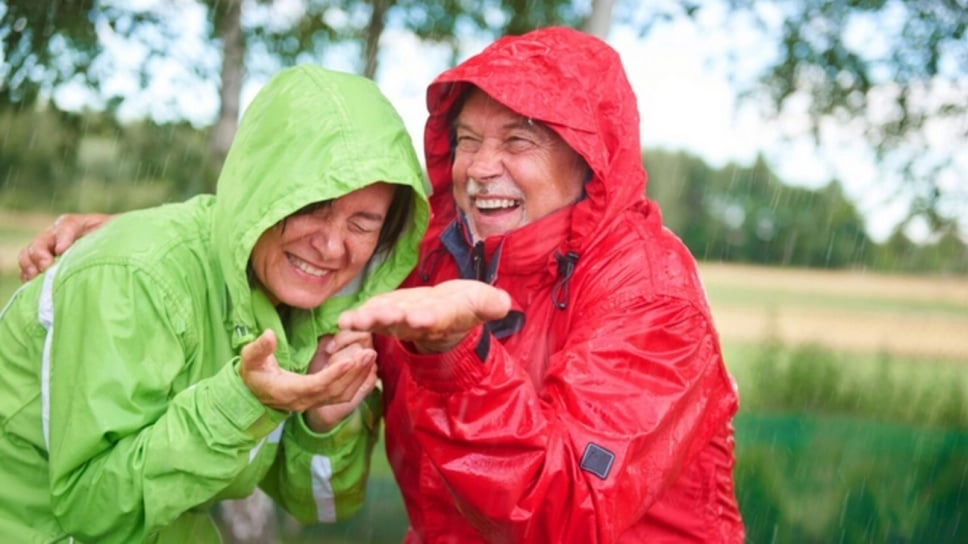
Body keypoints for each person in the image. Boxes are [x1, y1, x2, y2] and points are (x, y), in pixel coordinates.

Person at [20, 27, 743, 543]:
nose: (481, 166)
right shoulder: (437, 255)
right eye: (466, 139)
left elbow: (568, 516)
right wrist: (147, 242)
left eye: (518, 140)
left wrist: (455, 352)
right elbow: (292, 226)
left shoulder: (648, 293)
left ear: (590, 160)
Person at [2, 64, 429, 542]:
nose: (332, 247)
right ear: (261, 192)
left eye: (363, 223)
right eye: (311, 207)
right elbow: (93, 508)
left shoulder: (310, 310)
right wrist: (242, 403)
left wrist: (324, 422)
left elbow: (319, 506)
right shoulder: (136, 278)